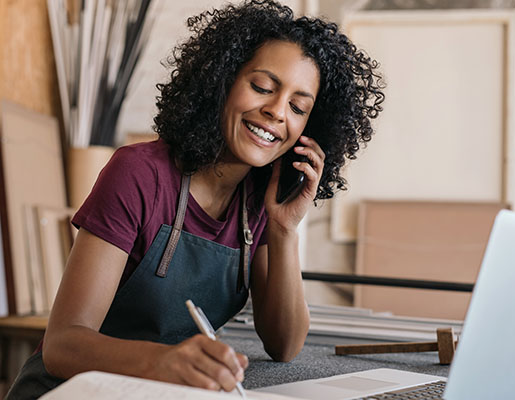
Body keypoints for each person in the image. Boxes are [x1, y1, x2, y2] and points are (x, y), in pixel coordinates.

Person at [6, 0, 384, 398]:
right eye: (262, 87)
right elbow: (63, 345)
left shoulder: (257, 199)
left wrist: (285, 229)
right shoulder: (139, 173)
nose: (276, 112)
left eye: (298, 106)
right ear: (221, 81)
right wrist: (161, 362)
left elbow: (284, 344)